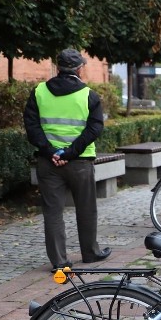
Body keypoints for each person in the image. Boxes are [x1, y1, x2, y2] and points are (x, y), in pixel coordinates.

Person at [23, 48, 112, 272]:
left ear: (58, 67)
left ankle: (59, 262)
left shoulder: (39, 92)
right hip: (80, 162)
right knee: (86, 208)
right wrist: (71, 151)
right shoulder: (89, 95)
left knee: (53, 212)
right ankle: (90, 253)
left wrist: (50, 150)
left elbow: (31, 127)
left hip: (48, 162)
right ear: (79, 68)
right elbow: (95, 128)